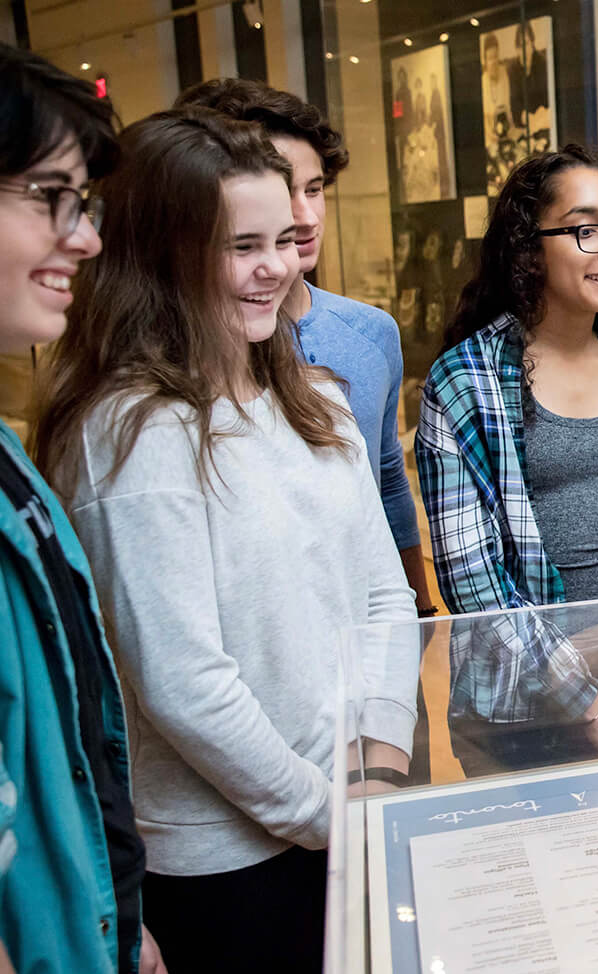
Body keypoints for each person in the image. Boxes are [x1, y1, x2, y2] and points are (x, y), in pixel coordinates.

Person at [33, 108, 417, 974]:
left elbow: (384, 598)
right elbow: (185, 684)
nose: (277, 268)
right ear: (165, 254)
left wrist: (377, 772)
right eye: (240, 246)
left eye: (284, 241)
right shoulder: (131, 433)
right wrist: (335, 813)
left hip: (352, 812)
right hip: (231, 868)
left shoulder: (314, 395)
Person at [419, 144, 598, 774]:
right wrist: (590, 709)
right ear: (528, 247)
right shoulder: (466, 380)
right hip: (518, 714)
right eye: (587, 229)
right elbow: (474, 582)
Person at [0, 42, 167, 974]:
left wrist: (118, 920)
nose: (85, 237)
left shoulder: (12, 457)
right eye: (51, 198)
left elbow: (56, 750)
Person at [175, 79, 435, 618]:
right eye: (283, 190)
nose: (305, 217)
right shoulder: (186, 360)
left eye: (314, 189)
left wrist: (419, 619)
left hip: (376, 626)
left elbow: (387, 484)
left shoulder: (371, 333)